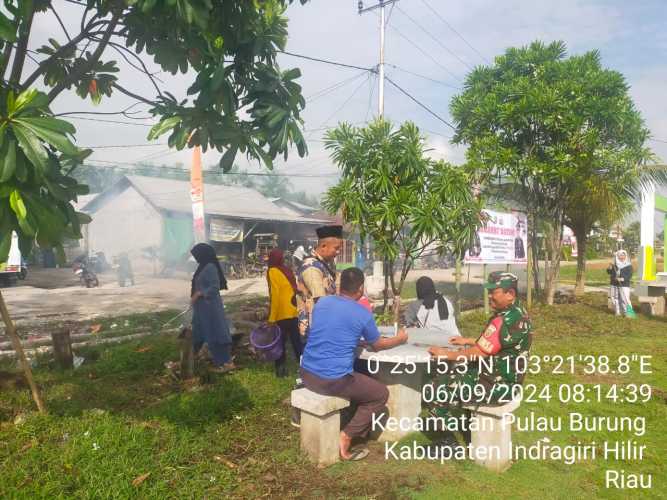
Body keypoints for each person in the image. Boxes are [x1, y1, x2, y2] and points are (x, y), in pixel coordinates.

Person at [300, 267, 408, 460]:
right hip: (332, 380)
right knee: (379, 393)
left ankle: (350, 421)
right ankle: (346, 436)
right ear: (360, 288)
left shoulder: (322, 303)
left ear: (341, 286)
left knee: (362, 377)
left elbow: (329, 332)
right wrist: (400, 339)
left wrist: (353, 340)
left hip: (307, 373)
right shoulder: (361, 313)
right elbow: (378, 345)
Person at [426, 272, 532, 424]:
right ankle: (461, 416)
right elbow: (499, 343)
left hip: (497, 387)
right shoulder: (517, 312)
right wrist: (467, 341)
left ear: (510, 293)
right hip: (508, 380)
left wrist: (445, 353)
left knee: (436, 387)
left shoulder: (503, 320)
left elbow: (478, 353)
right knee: (455, 369)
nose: (489, 296)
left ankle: (448, 437)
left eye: (493, 292)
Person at [190, 243, 235, 373]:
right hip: (202, 308)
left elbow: (214, 287)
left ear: (203, 254)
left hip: (210, 307)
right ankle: (192, 356)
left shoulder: (210, 267)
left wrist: (199, 293)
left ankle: (226, 363)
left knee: (216, 333)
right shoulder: (202, 266)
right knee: (198, 331)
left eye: (196, 255)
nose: (195, 258)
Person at [296, 225, 343, 338]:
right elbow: (322, 302)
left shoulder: (325, 264)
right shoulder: (312, 268)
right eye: (336, 248)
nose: (338, 252)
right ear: (323, 246)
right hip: (315, 330)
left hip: (325, 325)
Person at [267, 248, 302, 378]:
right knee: (296, 342)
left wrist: (272, 318)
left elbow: (275, 295)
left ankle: (281, 372)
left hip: (281, 314)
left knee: (279, 344)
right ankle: (306, 368)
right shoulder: (286, 270)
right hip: (292, 311)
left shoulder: (272, 271)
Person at [607, 250, 633, 317]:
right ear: (617, 256)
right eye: (620, 255)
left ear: (625, 256)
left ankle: (628, 313)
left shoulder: (628, 265)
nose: (621, 257)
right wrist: (609, 267)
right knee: (614, 298)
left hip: (624, 285)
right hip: (614, 283)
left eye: (623, 255)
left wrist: (622, 279)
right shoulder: (614, 265)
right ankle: (618, 312)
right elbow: (609, 272)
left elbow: (629, 275)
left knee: (625, 299)